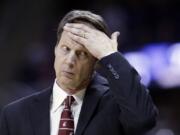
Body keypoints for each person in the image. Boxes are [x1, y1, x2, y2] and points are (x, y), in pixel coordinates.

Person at [0, 10, 157, 135]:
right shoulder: (15, 115)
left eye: (82, 53)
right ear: (55, 49)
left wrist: (110, 56)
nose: (69, 60)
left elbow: (143, 119)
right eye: (65, 49)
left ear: (96, 61)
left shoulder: (116, 106)